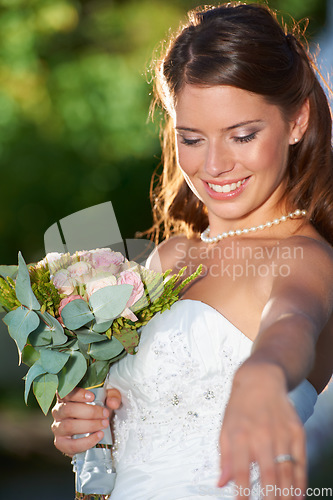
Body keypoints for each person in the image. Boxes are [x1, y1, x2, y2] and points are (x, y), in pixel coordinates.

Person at [51, 3, 333, 499]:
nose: (216, 164)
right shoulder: (165, 260)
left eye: (243, 135)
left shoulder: (305, 257)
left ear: (297, 122)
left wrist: (264, 373)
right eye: (193, 138)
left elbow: (292, 323)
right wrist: (91, 422)